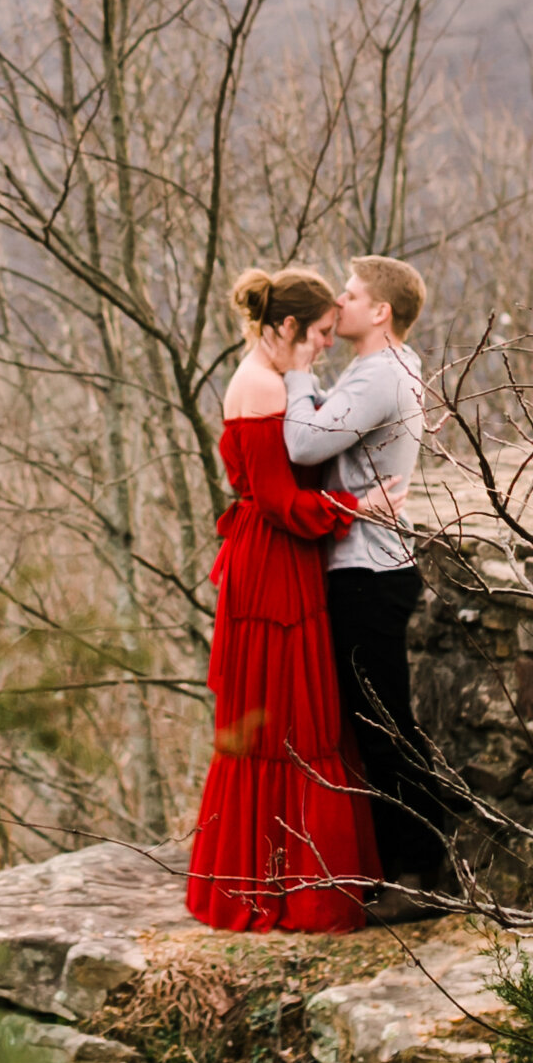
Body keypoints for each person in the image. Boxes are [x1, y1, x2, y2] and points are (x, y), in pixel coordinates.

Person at [183, 268, 381, 934]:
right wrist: (360, 504)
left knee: (294, 721)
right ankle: (285, 889)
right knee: (290, 723)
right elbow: (278, 502)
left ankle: (287, 880)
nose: (326, 343)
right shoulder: (261, 386)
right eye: (320, 332)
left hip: (275, 562)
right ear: (290, 326)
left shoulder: (272, 379)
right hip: (273, 568)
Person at [285, 256, 439, 902]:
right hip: (368, 566)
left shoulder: (381, 375)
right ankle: (392, 869)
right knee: (373, 725)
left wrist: (296, 377)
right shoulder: (376, 370)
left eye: (349, 295)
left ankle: (421, 876)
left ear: (380, 312)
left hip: (368, 573)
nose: (338, 303)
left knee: (383, 729)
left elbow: (304, 445)